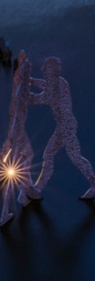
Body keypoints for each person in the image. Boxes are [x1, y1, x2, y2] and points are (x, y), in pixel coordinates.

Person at [32, 57, 95, 199]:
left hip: (67, 126)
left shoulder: (59, 84)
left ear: (52, 71)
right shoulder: (57, 82)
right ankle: (38, 188)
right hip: (63, 126)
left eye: (46, 69)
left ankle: (93, 183)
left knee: (75, 157)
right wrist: (31, 81)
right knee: (49, 154)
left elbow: (44, 97)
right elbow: (45, 86)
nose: (43, 71)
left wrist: (29, 97)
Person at [0, 50, 41, 226]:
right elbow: (15, 116)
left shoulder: (20, 88)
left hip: (19, 131)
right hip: (17, 132)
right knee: (12, 172)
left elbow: (34, 99)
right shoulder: (20, 92)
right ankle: (4, 214)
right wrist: (9, 141)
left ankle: (25, 192)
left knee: (29, 157)